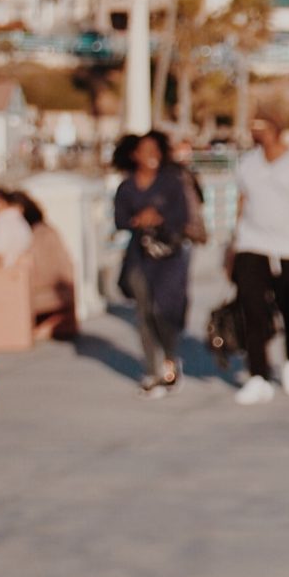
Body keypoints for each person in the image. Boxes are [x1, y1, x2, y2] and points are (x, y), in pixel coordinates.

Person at [228, 109, 289, 405]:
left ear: (276, 128)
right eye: (252, 126)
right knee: (252, 311)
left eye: (261, 126)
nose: (256, 132)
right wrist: (232, 246)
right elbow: (241, 205)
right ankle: (258, 376)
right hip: (251, 246)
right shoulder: (247, 164)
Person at [112, 130, 192, 394]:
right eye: (145, 151)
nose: (151, 156)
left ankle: (170, 358)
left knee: (165, 310)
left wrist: (158, 217)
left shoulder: (172, 182)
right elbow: (120, 220)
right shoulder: (126, 186)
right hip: (139, 257)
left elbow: (182, 217)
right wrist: (137, 220)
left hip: (169, 256)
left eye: (155, 150)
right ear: (134, 155)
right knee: (144, 312)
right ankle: (152, 369)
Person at [10, 190, 78, 338]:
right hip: (57, 283)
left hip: (44, 284)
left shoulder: (36, 234)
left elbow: (39, 265)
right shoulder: (44, 230)